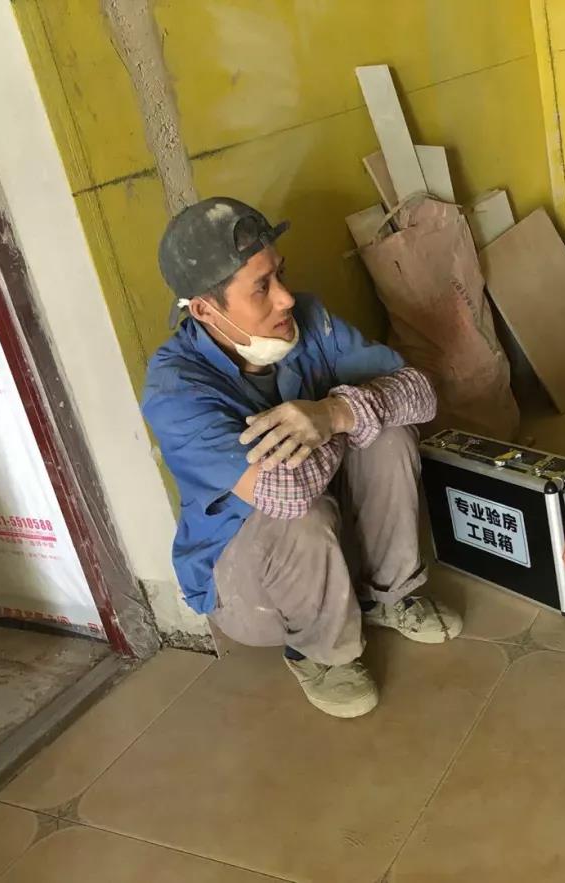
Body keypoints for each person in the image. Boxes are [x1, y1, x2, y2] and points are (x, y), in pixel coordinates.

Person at [142, 196, 461, 719]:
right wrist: (347, 418)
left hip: (327, 527)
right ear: (203, 310)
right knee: (305, 513)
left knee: (390, 435)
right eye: (261, 287)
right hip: (247, 581)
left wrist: (334, 413)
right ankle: (320, 653)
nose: (286, 298)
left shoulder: (309, 320)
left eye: (280, 275)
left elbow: (421, 395)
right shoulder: (176, 390)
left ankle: (388, 594)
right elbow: (286, 495)